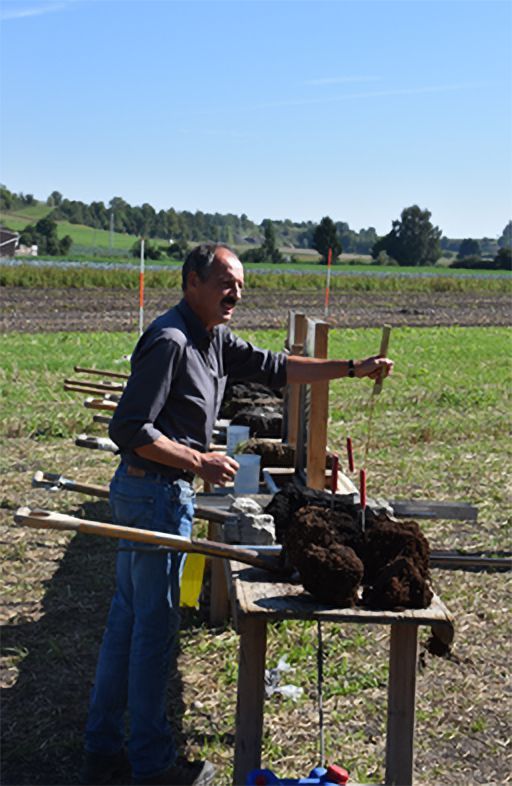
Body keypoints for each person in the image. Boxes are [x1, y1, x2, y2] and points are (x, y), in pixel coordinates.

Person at [81, 243, 393, 786]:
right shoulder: (171, 341)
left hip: (153, 492)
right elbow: (129, 428)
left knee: (127, 622)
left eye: (242, 285)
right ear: (192, 282)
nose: (237, 293)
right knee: (153, 630)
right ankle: (152, 767)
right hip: (153, 494)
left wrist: (350, 368)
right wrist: (197, 459)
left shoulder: (214, 339)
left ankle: (103, 752)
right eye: (227, 282)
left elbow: (276, 367)